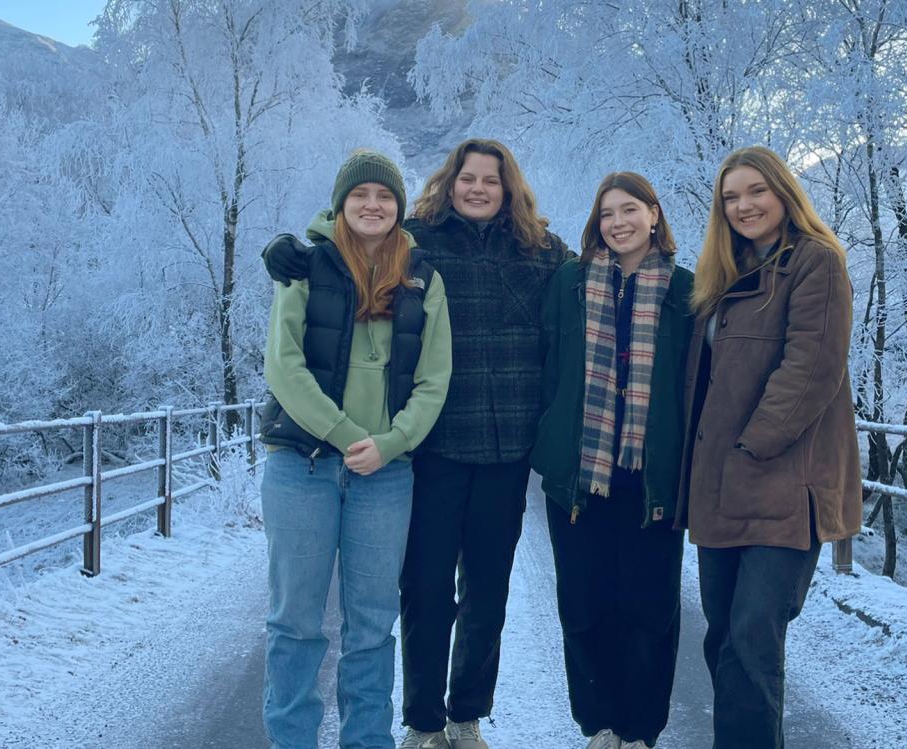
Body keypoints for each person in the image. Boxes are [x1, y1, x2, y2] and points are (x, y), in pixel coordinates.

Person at [266, 139, 570, 749]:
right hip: (430, 447)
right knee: (423, 589)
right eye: (468, 178)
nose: (479, 189)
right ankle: (423, 722)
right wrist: (287, 250)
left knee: (486, 590)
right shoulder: (420, 241)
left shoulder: (541, 252)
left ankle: (466, 715)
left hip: (505, 444)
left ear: (509, 189)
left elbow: (594, 276)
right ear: (448, 184)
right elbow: (350, 237)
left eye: (492, 180)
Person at [257, 150, 451, 749]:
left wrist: (390, 445)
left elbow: (434, 379)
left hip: (386, 478)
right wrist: (347, 438)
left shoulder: (423, 277)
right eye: (361, 194)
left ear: (399, 207)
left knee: (372, 627)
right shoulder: (304, 268)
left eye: (385, 196)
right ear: (342, 203)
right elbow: (283, 368)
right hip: (303, 468)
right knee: (295, 624)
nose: (374, 205)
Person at [675, 146, 860, 749]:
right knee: (723, 635)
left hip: (781, 483)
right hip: (721, 488)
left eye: (755, 191)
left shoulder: (816, 262)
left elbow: (811, 368)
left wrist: (750, 447)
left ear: (783, 193)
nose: (743, 206)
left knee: (754, 638)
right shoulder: (724, 273)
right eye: (730, 197)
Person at [532, 173, 693, 749]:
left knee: (649, 610)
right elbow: (547, 365)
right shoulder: (570, 284)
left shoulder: (685, 291)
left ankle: (640, 730)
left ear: (654, 215)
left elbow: (694, 386)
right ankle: (597, 725)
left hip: (652, 479)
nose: (618, 223)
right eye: (607, 214)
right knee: (583, 602)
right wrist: (551, 437)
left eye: (630, 210)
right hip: (581, 476)